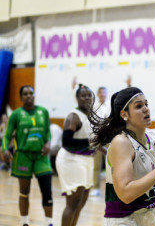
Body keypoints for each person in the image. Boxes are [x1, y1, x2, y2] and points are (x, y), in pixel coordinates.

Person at [88, 87, 155, 225]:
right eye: (139, 106)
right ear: (124, 114)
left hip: (148, 215)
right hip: (125, 220)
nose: (146, 109)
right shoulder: (121, 142)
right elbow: (126, 194)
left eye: (146, 104)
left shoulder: (151, 136)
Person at [1, 85, 53, 226]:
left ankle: (49, 223)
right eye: (25, 94)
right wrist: (5, 149)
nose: (28, 96)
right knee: (24, 191)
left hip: (41, 156)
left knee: (47, 191)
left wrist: (48, 143)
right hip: (23, 156)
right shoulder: (16, 115)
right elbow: (6, 137)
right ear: (21, 97)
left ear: (34, 95)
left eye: (31, 93)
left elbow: (48, 132)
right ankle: (25, 222)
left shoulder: (43, 112)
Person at [56, 84, 96, 226]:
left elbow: (96, 142)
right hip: (71, 159)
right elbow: (66, 141)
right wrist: (90, 142)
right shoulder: (74, 116)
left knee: (81, 203)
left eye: (89, 95)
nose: (86, 98)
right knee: (73, 203)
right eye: (83, 95)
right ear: (77, 98)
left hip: (87, 159)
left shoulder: (91, 115)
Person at [91, 86, 111, 197]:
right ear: (98, 94)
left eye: (104, 92)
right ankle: (96, 188)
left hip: (108, 137)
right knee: (96, 165)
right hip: (97, 138)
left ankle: (111, 188)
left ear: (106, 94)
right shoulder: (94, 106)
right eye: (101, 93)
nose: (102, 94)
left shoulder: (110, 105)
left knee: (110, 164)